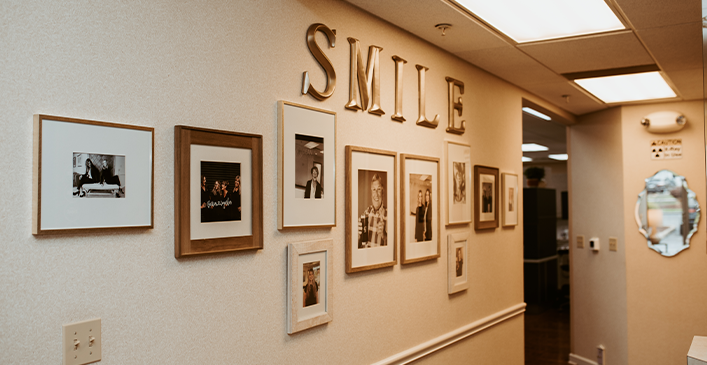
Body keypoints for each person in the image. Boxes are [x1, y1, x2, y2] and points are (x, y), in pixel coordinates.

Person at [358, 174, 387, 248]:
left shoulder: (389, 215)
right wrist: (357, 236)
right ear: (371, 193)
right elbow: (358, 246)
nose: (376, 194)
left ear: (383, 192)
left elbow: (394, 249)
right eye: (374, 190)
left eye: (379, 189)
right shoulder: (366, 213)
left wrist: (384, 235)